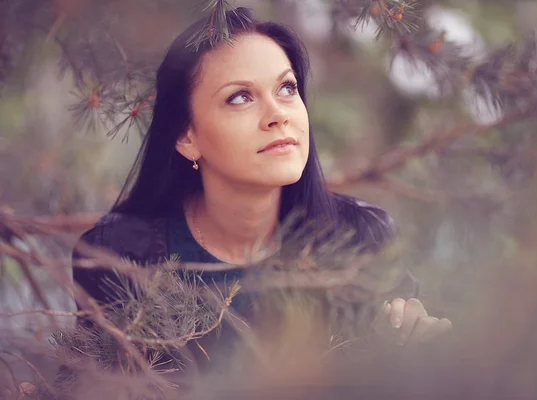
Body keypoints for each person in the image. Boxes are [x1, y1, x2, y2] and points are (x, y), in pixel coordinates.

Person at [70, 6, 451, 377]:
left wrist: (415, 344)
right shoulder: (119, 257)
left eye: (287, 88)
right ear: (187, 135)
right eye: (240, 97)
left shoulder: (362, 238)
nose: (278, 114)